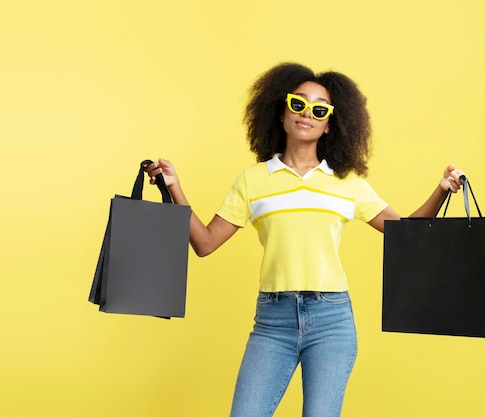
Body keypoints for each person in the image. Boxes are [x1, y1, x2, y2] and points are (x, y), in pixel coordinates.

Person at [145, 62, 464, 417]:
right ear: (280, 111)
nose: (307, 114)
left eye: (319, 109)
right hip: (272, 321)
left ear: (330, 124)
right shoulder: (253, 180)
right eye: (298, 104)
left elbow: (407, 235)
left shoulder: (348, 183)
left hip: (332, 321)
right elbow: (204, 243)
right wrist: (174, 188)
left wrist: (440, 190)